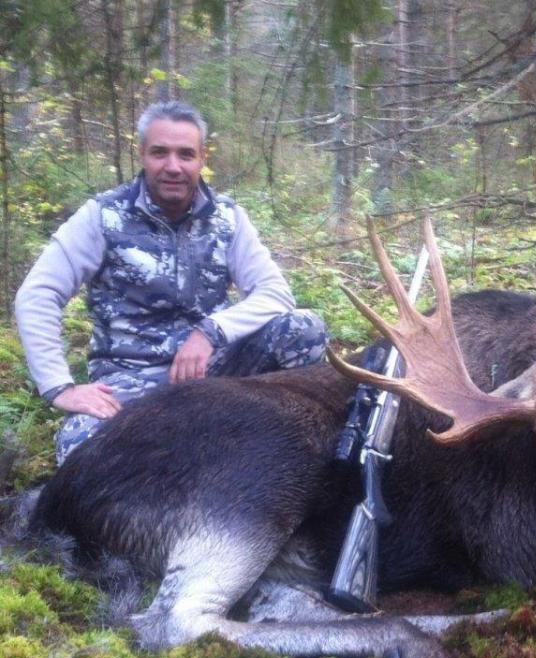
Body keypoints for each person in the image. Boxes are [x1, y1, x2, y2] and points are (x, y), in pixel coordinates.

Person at [15, 101, 327, 465]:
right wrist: (59, 387)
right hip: (130, 382)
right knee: (80, 448)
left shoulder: (227, 219)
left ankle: (289, 456)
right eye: (160, 153)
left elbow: (275, 293)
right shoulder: (103, 217)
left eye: (186, 154)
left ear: (202, 158)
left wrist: (211, 332)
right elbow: (38, 294)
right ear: (142, 154)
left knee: (303, 328)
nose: (173, 166)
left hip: (216, 373)